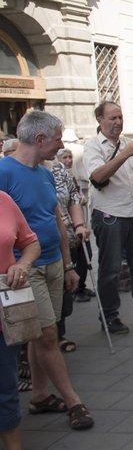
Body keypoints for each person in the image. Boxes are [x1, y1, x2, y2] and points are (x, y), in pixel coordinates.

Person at [1, 111, 94, 431]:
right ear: (39, 139)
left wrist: (68, 264)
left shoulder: (45, 171)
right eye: (58, 138)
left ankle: (39, 395)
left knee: (40, 333)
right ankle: (73, 401)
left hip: (54, 261)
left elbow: (55, 217)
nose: (61, 144)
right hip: (26, 270)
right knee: (48, 335)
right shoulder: (4, 172)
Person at [84, 101, 133, 332]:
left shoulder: (129, 144)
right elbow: (98, 177)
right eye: (112, 118)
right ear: (99, 120)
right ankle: (109, 317)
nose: (118, 122)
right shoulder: (93, 146)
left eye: (120, 117)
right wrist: (123, 155)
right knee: (110, 269)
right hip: (111, 214)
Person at [0, 191, 52, 450]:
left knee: (6, 388)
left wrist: (22, 265)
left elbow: (30, 242)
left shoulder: (4, 200)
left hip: (3, 314)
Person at [47, 151, 89, 353]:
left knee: (64, 290)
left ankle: (58, 333)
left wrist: (80, 224)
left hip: (66, 237)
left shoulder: (59, 169)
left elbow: (74, 197)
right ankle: (36, 343)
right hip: (37, 244)